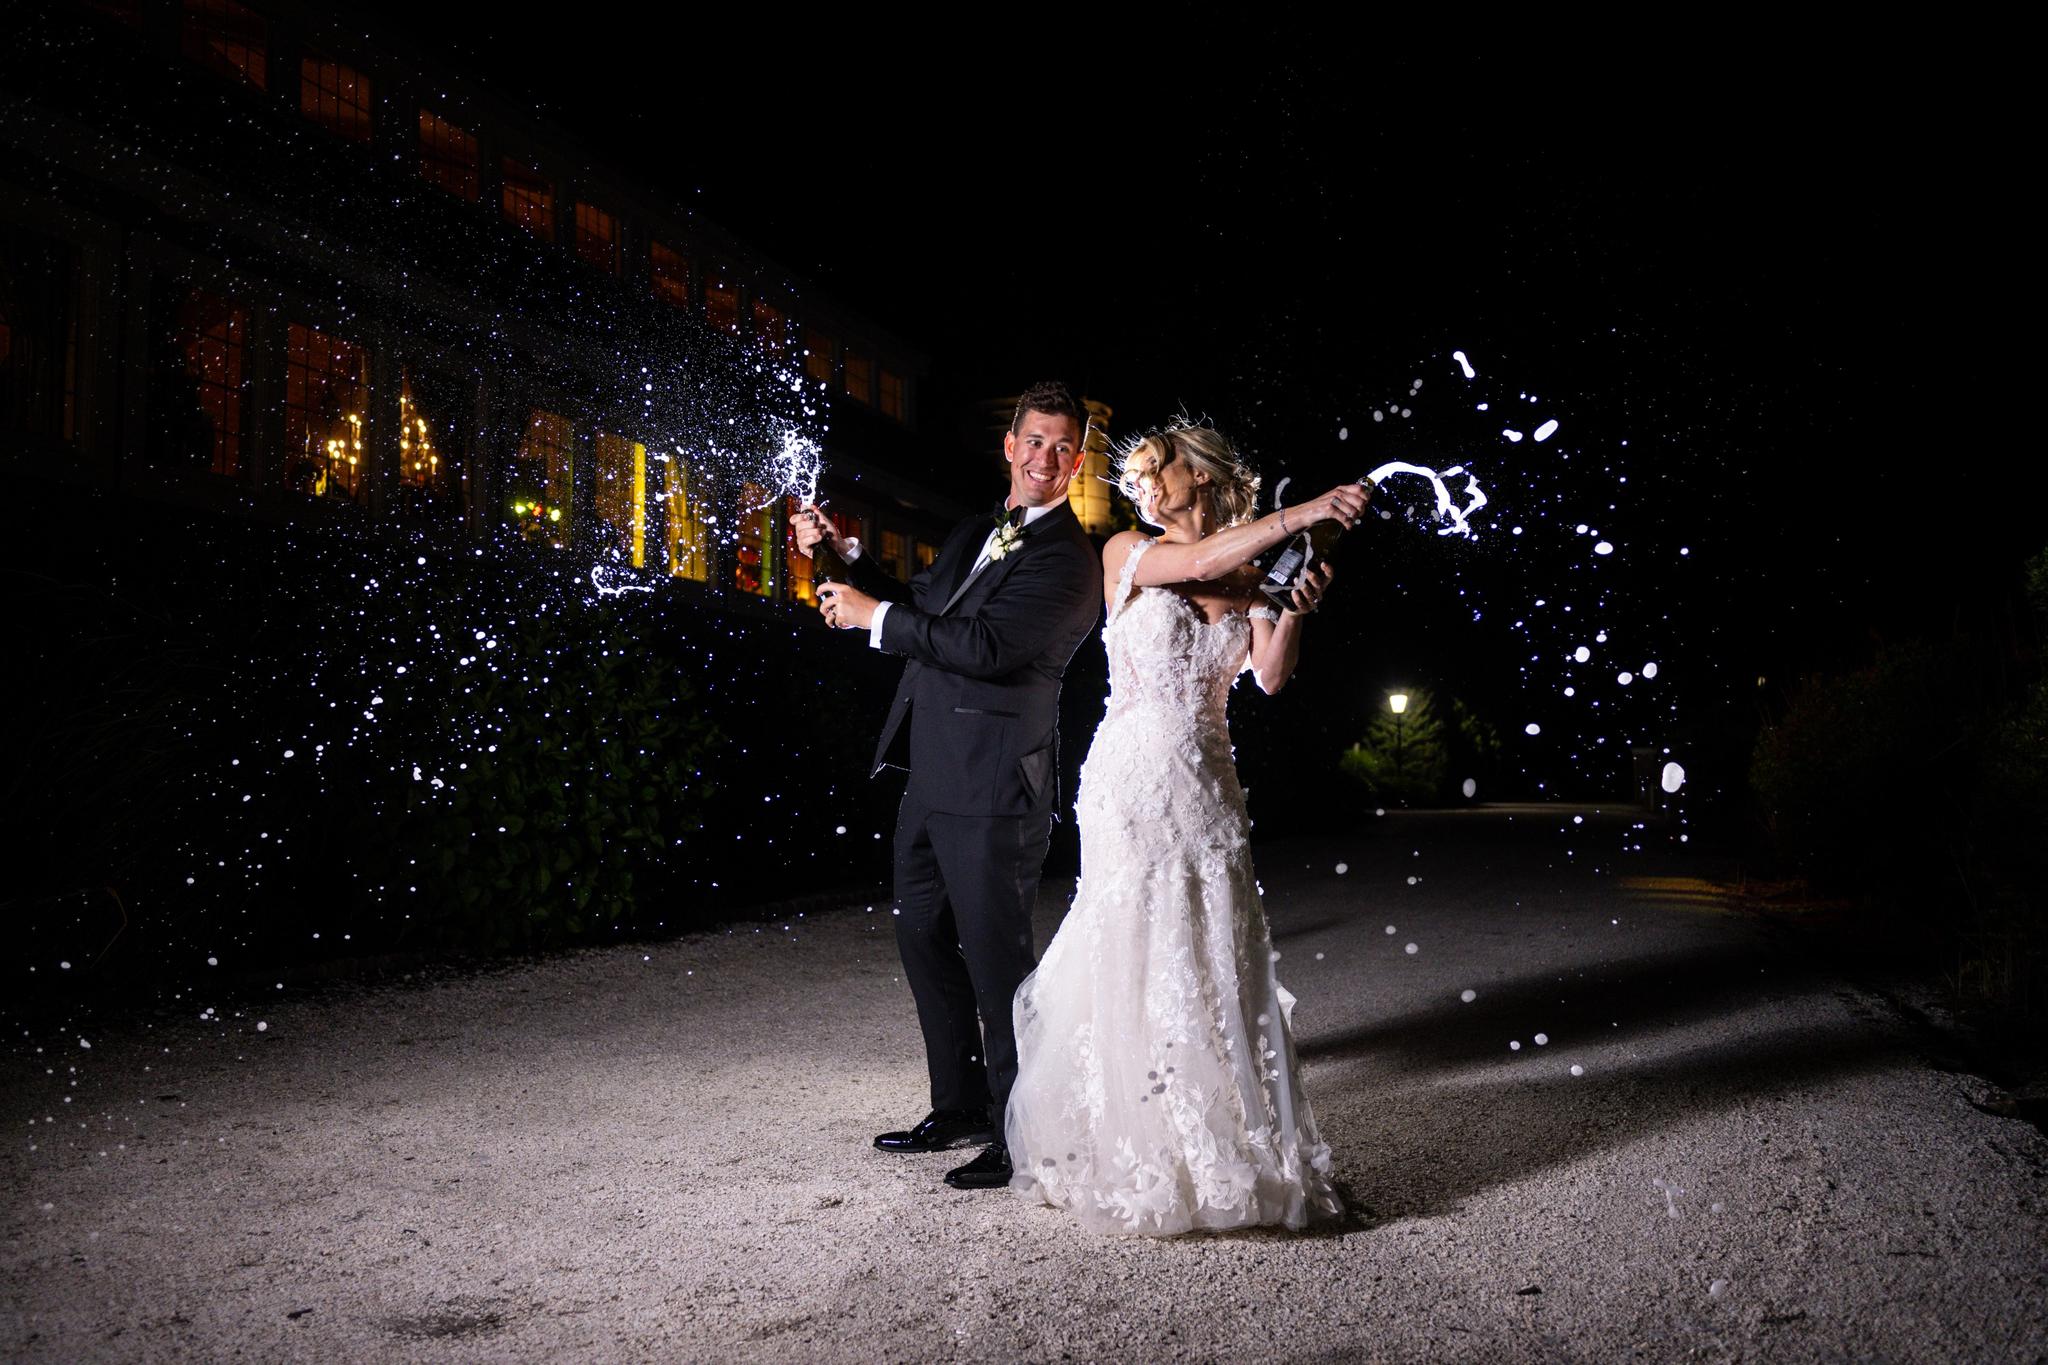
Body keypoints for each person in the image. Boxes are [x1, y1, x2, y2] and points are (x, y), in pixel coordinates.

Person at [1003, 416, 1368, 1236]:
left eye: (1156, 469)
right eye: (1136, 476)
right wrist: (1303, 512)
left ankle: (1213, 1139)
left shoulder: (1254, 578)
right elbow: (1202, 560)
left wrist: (1296, 602)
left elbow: (1270, 677)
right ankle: (1131, 1139)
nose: (1144, 486)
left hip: (1210, 781)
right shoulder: (1127, 553)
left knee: (1211, 947)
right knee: (1137, 938)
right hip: (1132, 777)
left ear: (1198, 473)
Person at [796, 381, 1104, 1191]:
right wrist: (845, 553)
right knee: (922, 935)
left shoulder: (1072, 560)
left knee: (999, 959)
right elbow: (922, 608)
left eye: (1062, 447)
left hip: (998, 782)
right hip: (930, 774)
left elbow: (988, 645)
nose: (1045, 457)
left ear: (1075, 463)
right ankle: (961, 1102)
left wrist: (876, 616)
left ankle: (1020, 1131)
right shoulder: (979, 530)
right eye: (1033, 440)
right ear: (1009, 446)